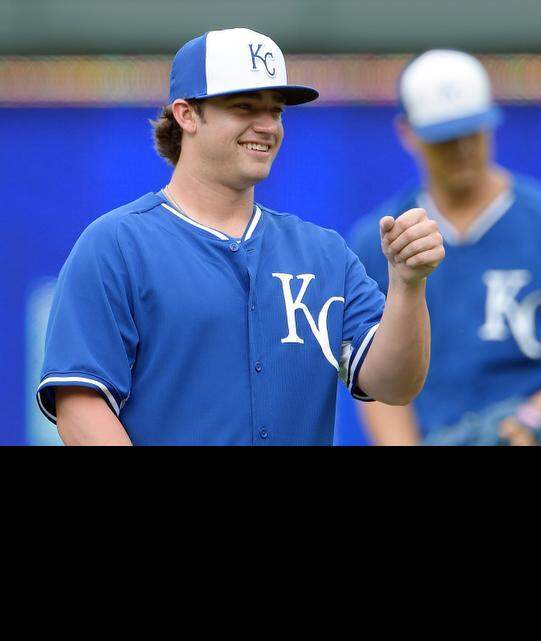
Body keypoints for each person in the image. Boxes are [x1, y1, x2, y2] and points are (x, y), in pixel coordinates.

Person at [35, 28, 444, 445]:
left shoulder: (322, 252)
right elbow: (79, 405)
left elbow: (394, 386)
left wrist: (408, 285)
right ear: (186, 114)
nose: (267, 125)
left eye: (276, 110)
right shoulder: (117, 244)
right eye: (245, 106)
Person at [347, 49, 541, 446]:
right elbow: (371, 374)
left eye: (470, 132)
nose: (461, 149)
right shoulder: (385, 238)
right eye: (444, 137)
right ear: (407, 132)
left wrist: (538, 415)